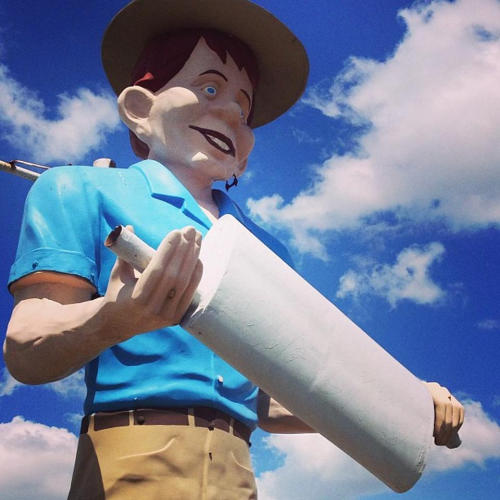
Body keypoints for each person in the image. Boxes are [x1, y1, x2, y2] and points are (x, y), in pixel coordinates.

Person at [3, 0, 463, 498]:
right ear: (139, 108)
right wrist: (116, 318)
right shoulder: (78, 189)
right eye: (208, 88)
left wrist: (407, 406)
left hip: (237, 471)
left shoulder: (263, 248)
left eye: (244, 108)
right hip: (128, 460)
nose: (230, 112)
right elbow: (26, 349)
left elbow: (274, 397)